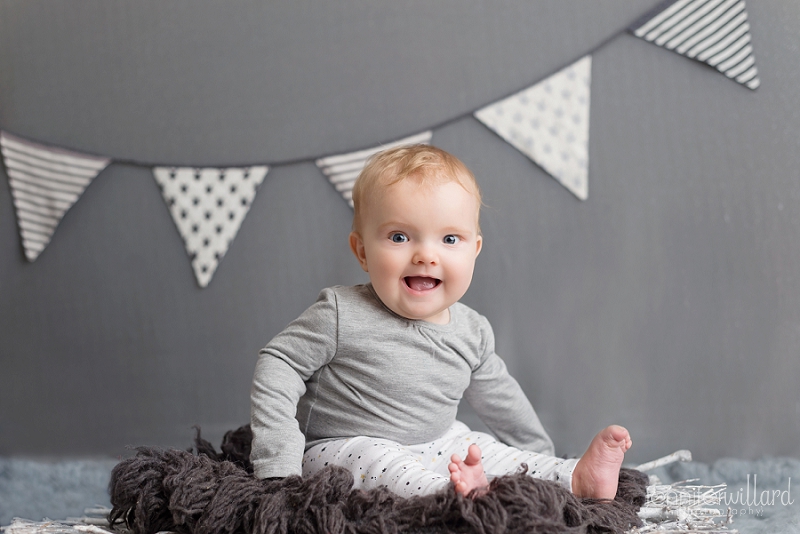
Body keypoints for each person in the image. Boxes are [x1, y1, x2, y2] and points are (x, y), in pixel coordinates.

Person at [250, 144, 632, 498]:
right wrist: (279, 459)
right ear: (362, 251)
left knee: (478, 447)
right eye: (399, 237)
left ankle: (570, 476)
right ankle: (447, 495)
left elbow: (503, 402)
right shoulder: (340, 313)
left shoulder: (471, 331)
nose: (426, 256)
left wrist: (536, 452)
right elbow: (277, 363)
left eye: (450, 239)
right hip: (341, 447)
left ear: (474, 250)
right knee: (379, 459)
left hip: (437, 442)